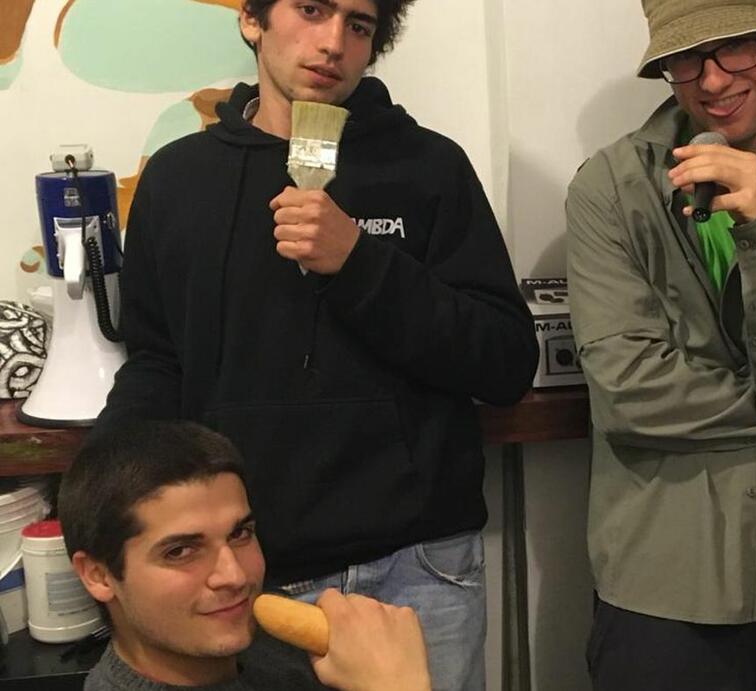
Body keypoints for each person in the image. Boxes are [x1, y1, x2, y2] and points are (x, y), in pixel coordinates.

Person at [96, 1, 539, 689]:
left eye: (359, 25)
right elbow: (156, 363)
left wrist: (359, 261)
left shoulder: (428, 167)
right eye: (311, 9)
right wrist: (98, 493)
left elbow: (505, 362)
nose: (334, 42)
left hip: (419, 567)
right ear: (253, 21)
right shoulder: (178, 180)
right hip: (248, 573)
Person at [565, 0, 756, 688]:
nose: (711, 80)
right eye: (684, 58)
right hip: (659, 575)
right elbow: (629, 393)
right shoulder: (612, 188)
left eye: (735, 46)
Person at [61, 420, 432, 691]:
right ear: (98, 575)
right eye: (180, 551)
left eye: (239, 534)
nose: (235, 576)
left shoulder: (272, 646)